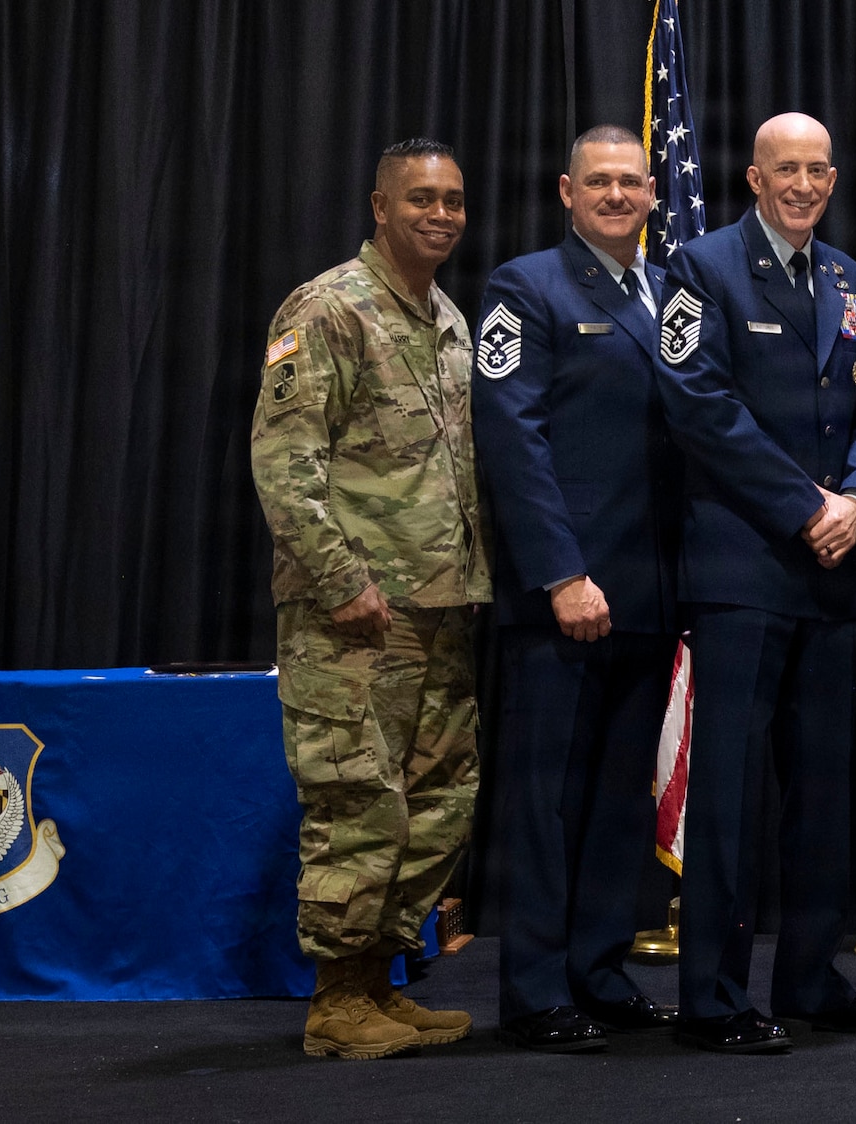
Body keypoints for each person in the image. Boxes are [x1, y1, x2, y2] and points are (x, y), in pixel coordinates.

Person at [655, 112, 856, 1054]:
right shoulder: (700, 268)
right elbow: (698, 406)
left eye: (817, 170)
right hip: (744, 571)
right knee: (726, 800)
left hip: (832, 574)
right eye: (785, 170)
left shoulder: (853, 281)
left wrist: (853, 495)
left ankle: (808, 977)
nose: (802, 184)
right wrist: (804, 505)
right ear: (754, 178)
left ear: (833, 179)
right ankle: (713, 1000)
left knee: (822, 795)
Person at [249, 137, 488, 1060]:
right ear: (380, 207)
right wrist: (340, 580)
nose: (440, 213)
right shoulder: (327, 309)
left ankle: (383, 985)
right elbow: (285, 462)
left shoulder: (452, 322)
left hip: (440, 610)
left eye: (455, 200)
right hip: (353, 616)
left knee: (434, 804)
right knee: (356, 802)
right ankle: (336, 1004)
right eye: (422, 198)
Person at [471, 125, 681, 1053]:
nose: (616, 196)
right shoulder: (524, 288)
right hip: (568, 592)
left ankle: (598, 970)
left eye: (631, 183)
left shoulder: (675, 292)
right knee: (547, 802)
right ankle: (534, 990)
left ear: (652, 194)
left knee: (616, 800)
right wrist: (561, 573)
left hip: (650, 590)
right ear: (565, 190)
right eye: (599, 182)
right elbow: (512, 443)